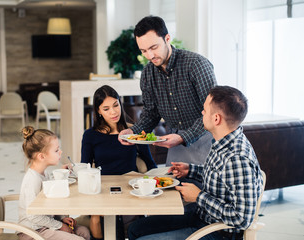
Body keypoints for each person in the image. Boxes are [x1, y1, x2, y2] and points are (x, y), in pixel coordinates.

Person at [127, 86, 264, 240]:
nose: (202, 113)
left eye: (205, 110)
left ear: (216, 119)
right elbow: (221, 176)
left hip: (217, 233)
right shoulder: (223, 140)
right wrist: (191, 170)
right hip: (202, 216)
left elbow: (243, 219)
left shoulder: (237, 158)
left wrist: (199, 196)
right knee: (135, 229)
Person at [118, 15, 217, 166]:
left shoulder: (196, 65)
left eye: (153, 47)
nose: (149, 56)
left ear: (167, 38)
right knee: (172, 188)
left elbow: (213, 111)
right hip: (175, 143)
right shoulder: (147, 74)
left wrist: (184, 137)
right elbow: (151, 113)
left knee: (203, 188)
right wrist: (133, 132)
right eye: (143, 50)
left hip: (206, 139)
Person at [81, 85, 157, 239]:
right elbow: (85, 168)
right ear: (99, 112)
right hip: (103, 191)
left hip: (131, 191)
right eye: (106, 108)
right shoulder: (90, 135)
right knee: (107, 222)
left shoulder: (133, 132)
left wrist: (161, 181)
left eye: (116, 105)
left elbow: (150, 165)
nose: (114, 112)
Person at [18, 126, 90, 240]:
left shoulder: (44, 173)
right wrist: (59, 225)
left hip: (46, 225)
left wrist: (61, 218)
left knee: (83, 232)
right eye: (56, 150)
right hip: (32, 232)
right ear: (41, 156)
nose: (60, 152)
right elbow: (33, 216)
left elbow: (49, 201)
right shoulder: (32, 180)